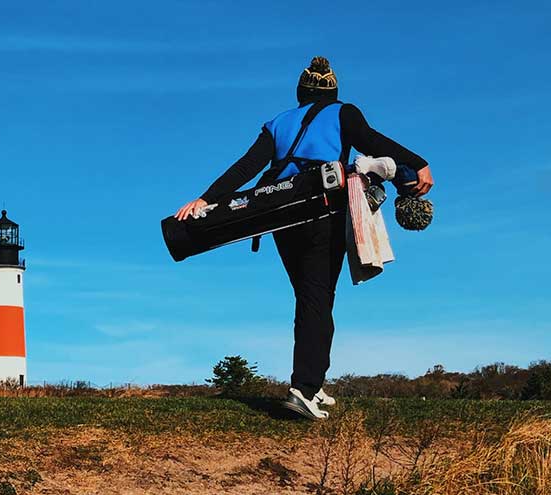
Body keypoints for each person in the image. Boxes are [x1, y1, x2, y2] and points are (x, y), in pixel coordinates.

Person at [174, 56, 433, 420]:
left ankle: (315, 380)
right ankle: (304, 389)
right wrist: (418, 162)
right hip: (321, 210)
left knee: (309, 296)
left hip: (279, 214)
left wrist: (207, 198)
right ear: (333, 91)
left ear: (301, 92)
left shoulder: (279, 122)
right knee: (318, 297)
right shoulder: (344, 113)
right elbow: (372, 141)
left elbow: (247, 166)